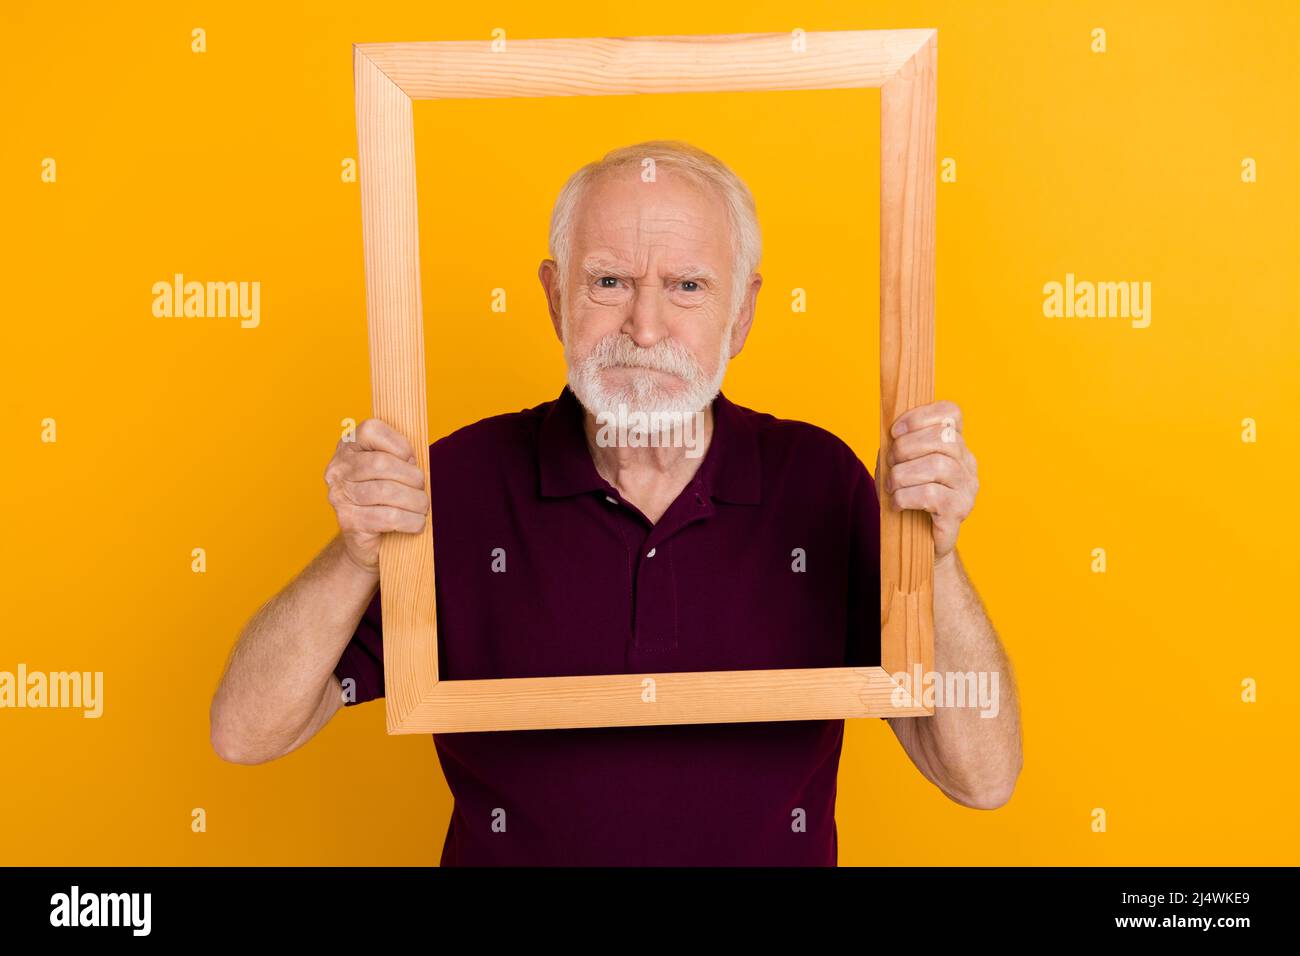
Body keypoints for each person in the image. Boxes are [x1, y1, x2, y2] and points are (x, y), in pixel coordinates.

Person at [209, 140, 1021, 865]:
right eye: (609, 282)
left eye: (687, 285)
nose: (644, 324)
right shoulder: (454, 484)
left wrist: (934, 557)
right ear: (556, 296)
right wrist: (356, 553)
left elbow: (980, 775)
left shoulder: (820, 481)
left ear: (741, 314)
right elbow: (246, 732)